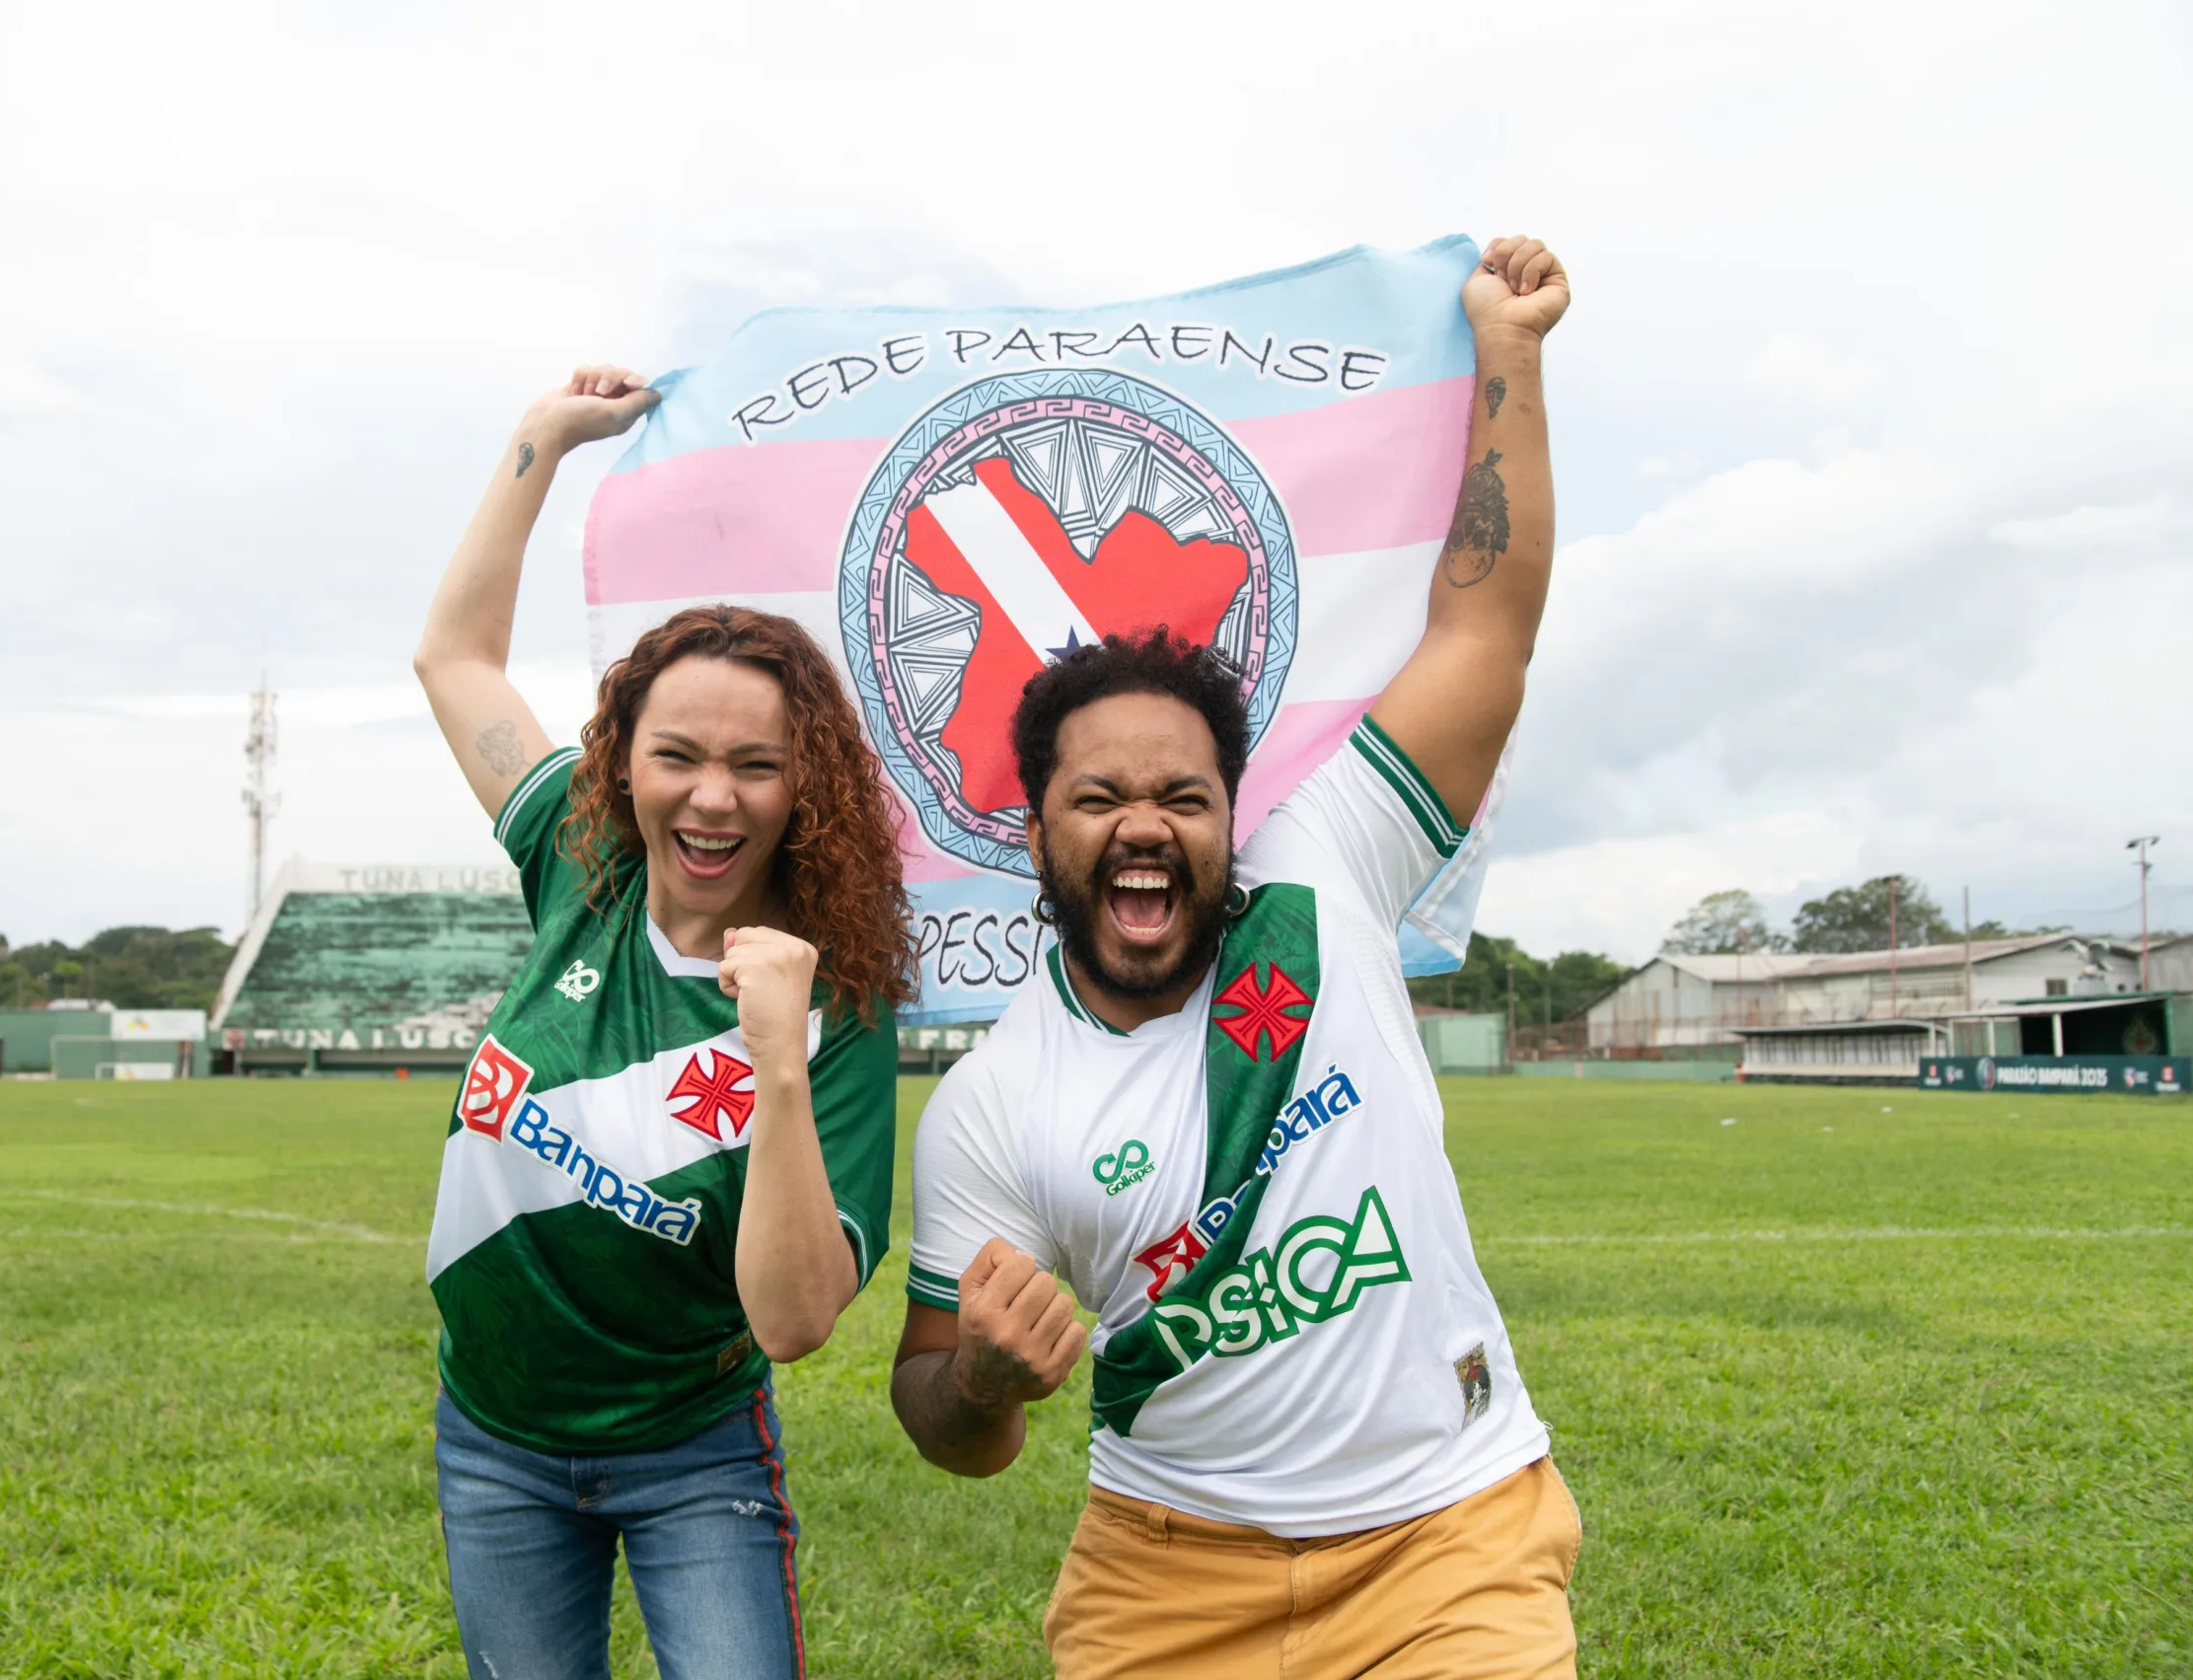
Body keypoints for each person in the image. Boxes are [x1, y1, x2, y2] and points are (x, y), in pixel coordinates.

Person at [889, 238, 1578, 1679]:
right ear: (1036, 833)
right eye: (1099, 799)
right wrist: (986, 1383)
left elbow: (1486, 622)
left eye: (1185, 797)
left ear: (1231, 818)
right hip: (1165, 1580)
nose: (1144, 826)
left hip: (1450, 1539)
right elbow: (943, 1416)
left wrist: (1506, 353)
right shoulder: (990, 1106)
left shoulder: (1328, 871)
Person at [415, 365, 914, 1680]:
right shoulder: (580, 864)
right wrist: (541, 438)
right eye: (677, 754)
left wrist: (778, 1064)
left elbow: (798, 1319)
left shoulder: (839, 1007)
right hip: (493, 1437)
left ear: (806, 788)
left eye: (757, 765)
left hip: (692, 1456)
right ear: (620, 760)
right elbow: (453, 657)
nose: (712, 798)